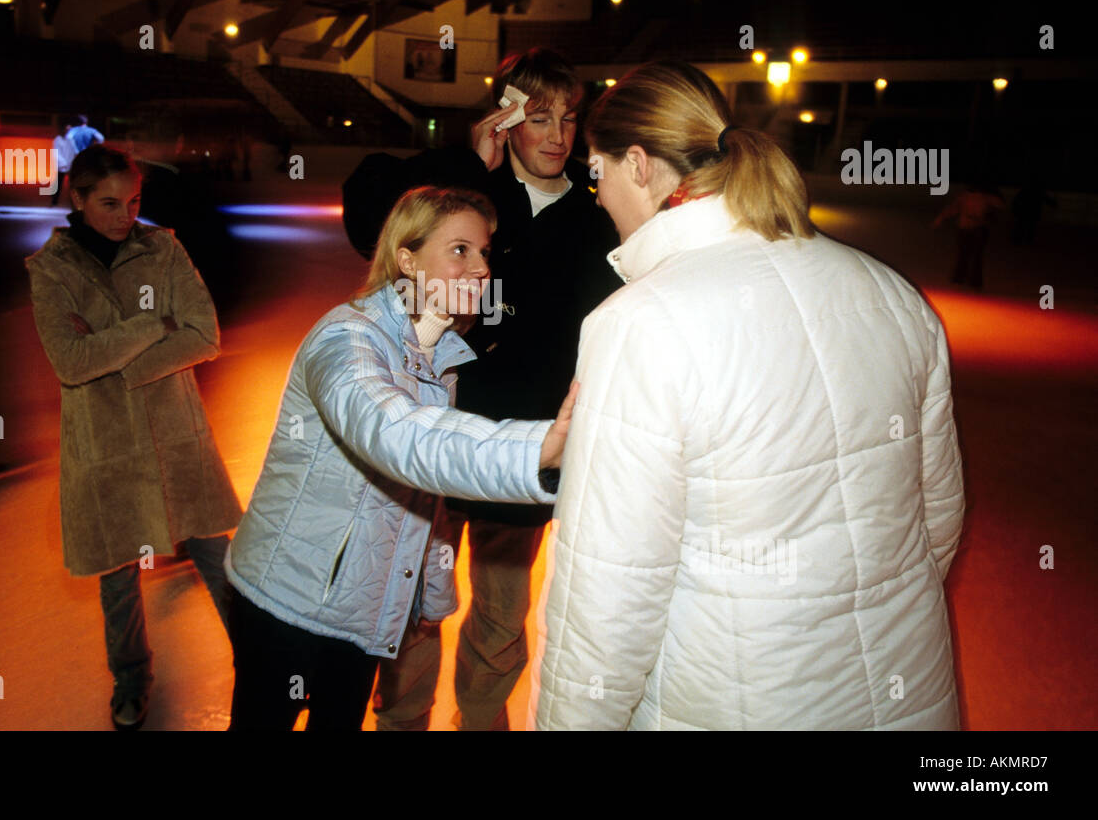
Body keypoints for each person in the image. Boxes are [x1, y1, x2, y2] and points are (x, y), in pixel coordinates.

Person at [530, 61, 965, 730]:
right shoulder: (894, 294)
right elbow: (936, 523)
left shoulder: (637, 325)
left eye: (599, 171)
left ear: (639, 165)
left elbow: (607, 592)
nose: (598, 193)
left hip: (734, 702)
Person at [224, 186, 578, 731]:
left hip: (363, 610)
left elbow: (421, 496)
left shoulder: (442, 359)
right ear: (406, 259)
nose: (481, 268)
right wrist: (537, 448)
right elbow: (398, 436)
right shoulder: (346, 340)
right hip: (288, 601)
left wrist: (428, 595)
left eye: (485, 252)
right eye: (460, 250)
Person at [342, 48, 620, 731]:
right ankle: (401, 718)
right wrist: (468, 166)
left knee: (501, 611)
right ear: (505, 118)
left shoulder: (594, 218)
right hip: (436, 440)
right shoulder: (469, 197)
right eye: (539, 116)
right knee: (410, 602)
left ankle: (483, 718)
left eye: (569, 118)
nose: (557, 134)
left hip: (521, 451)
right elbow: (369, 216)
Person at [26, 145, 242, 730]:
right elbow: (70, 363)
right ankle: (131, 678)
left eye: (134, 201)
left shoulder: (163, 248)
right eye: (109, 203)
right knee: (119, 578)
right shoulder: (52, 270)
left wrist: (117, 356)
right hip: (107, 449)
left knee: (218, 559)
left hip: (177, 438)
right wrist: (154, 324)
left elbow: (204, 335)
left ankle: (260, 663)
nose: (125, 216)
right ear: (76, 199)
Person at [933, 184, 1006, 289]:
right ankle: (966, 280)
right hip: (970, 229)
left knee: (970, 255)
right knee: (969, 255)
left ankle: (965, 279)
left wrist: (940, 219)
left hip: (974, 229)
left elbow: (953, 209)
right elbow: (953, 209)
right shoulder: (972, 197)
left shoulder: (975, 197)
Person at [49, 122, 77, 205]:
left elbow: (75, 151)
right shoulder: (58, 139)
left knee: (73, 185)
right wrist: (63, 163)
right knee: (58, 184)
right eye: (67, 129)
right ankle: (54, 201)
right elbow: (56, 152)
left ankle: (73, 203)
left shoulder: (71, 140)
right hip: (62, 166)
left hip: (70, 165)